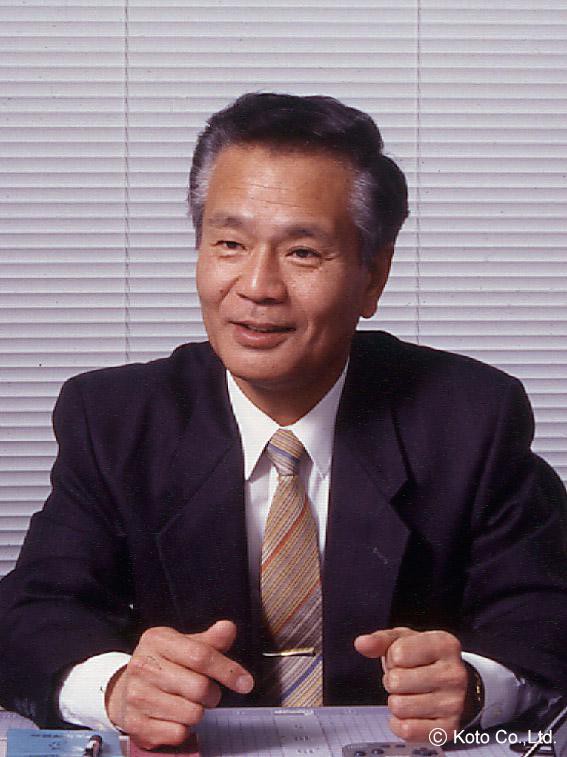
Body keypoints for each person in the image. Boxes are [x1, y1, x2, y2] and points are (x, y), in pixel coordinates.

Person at [0, 93, 565, 750]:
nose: (257, 287)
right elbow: (31, 615)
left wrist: (473, 684)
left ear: (373, 277)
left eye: (301, 252)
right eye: (230, 243)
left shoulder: (470, 417)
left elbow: (544, 611)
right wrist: (118, 687)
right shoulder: (116, 420)